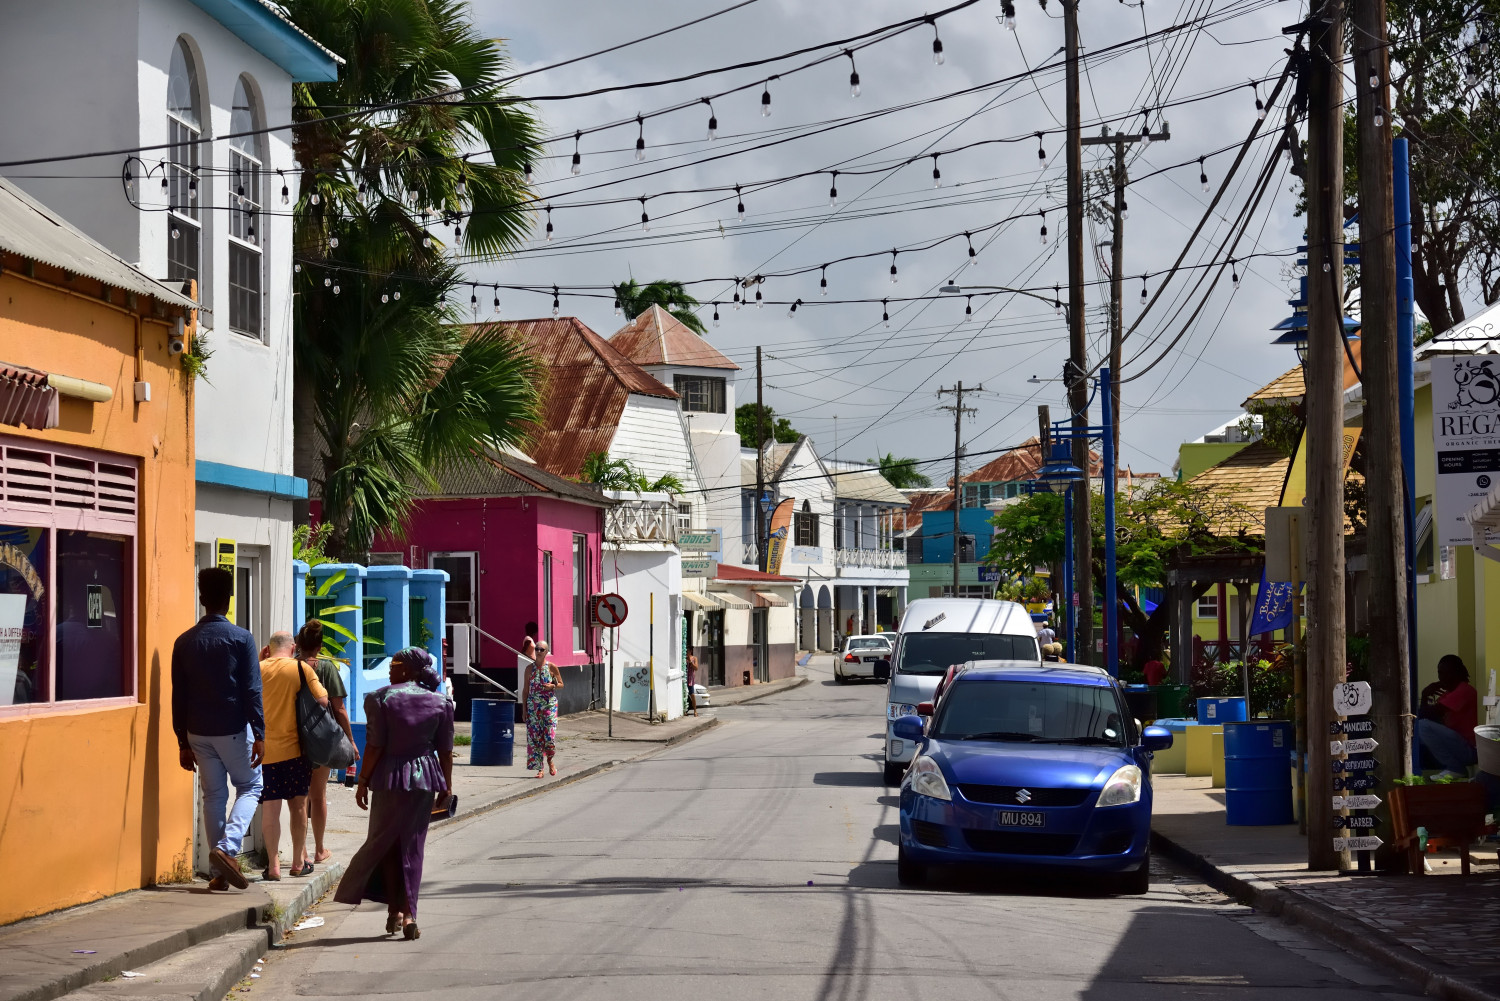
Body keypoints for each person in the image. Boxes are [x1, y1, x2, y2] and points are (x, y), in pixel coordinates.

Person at [334, 648, 454, 941]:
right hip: (424, 778)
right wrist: (446, 786)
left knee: (385, 844)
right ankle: (409, 912)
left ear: (409, 670)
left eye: (396, 664)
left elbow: (375, 745)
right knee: (412, 847)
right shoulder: (441, 702)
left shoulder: (380, 698)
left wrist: (362, 780)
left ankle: (394, 913)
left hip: (389, 777)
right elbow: (446, 751)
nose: (390, 668)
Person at [171, 568, 264, 892]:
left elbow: (177, 696)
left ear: (202, 600)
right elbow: (252, 690)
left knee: (213, 795)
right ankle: (227, 849)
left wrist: (182, 741)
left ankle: (219, 873)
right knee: (251, 786)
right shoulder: (241, 639)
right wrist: (260, 733)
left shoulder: (184, 642)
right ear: (229, 600)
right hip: (233, 730)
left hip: (197, 732)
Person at [258, 631, 328, 880]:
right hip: (295, 751)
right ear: (293, 647)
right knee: (298, 806)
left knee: (270, 808)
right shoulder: (300, 669)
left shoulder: (258, 668)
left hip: (265, 752)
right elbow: (323, 700)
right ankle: (298, 861)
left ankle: (274, 865)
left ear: (269, 648)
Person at [296, 621, 357, 865]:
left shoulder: (290, 667)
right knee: (318, 795)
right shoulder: (328, 668)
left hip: (293, 738)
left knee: (298, 797)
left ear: (298, 644)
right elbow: (339, 709)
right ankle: (319, 849)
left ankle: (301, 852)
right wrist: (350, 741)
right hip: (320, 740)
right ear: (320, 645)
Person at [1417, 654, 1479, 778]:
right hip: (1458, 745)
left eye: (1446, 673)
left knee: (1422, 726)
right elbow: (1427, 716)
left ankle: (1456, 768)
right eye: (1440, 673)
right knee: (1419, 728)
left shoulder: (1464, 690)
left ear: (1456, 673)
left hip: (1470, 749)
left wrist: (1425, 694)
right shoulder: (1449, 694)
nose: (1441, 678)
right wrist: (1425, 697)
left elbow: (1429, 714)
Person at [524, 640, 563, 778]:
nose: (538, 652)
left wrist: (552, 686)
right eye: (537, 649)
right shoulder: (529, 669)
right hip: (533, 707)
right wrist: (524, 710)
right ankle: (539, 768)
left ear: (546, 652)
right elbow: (525, 691)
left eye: (542, 649)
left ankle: (550, 760)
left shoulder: (552, 667)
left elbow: (561, 684)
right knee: (535, 738)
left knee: (549, 737)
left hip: (549, 705)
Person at [686, 652, 700, 716]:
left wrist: (690, 662)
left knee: (692, 694)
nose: (686, 652)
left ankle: (695, 711)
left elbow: (696, 668)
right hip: (684, 679)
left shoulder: (694, 658)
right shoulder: (683, 658)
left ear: (690, 651)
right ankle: (684, 710)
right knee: (684, 695)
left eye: (688, 651)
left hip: (690, 680)